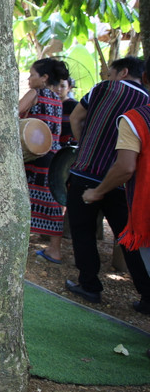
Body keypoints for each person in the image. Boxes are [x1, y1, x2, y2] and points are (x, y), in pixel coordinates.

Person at [64, 57, 149, 304]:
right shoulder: (147, 103)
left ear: (122, 72)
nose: (108, 77)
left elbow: (75, 118)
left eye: (110, 73)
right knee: (129, 237)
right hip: (124, 182)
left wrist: (85, 147)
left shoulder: (105, 88)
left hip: (86, 173)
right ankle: (146, 294)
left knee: (83, 232)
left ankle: (89, 285)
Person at [80, 85, 150, 315]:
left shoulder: (136, 118)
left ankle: (88, 285)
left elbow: (125, 167)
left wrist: (97, 191)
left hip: (143, 208)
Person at [18, 58, 68, 263]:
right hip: (54, 157)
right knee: (52, 202)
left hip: (35, 156)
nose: (29, 79)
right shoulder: (57, 99)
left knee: (26, 201)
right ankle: (54, 249)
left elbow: (13, 113)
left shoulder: (35, 94)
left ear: (44, 77)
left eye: (32, 74)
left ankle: (19, 246)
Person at [53, 77, 78, 148]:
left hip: (69, 146)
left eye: (62, 86)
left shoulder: (74, 106)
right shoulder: (49, 104)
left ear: (69, 88)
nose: (58, 89)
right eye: (56, 85)